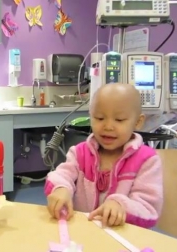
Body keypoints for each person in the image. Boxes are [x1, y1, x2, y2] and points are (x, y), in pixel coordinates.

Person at [45, 83, 163, 228]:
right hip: (82, 234)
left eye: (119, 120)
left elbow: (148, 208)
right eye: (100, 118)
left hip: (123, 238)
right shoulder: (79, 153)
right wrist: (61, 188)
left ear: (138, 122)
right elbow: (62, 175)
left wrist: (120, 205)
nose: (108, 126)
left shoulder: (147, 160)